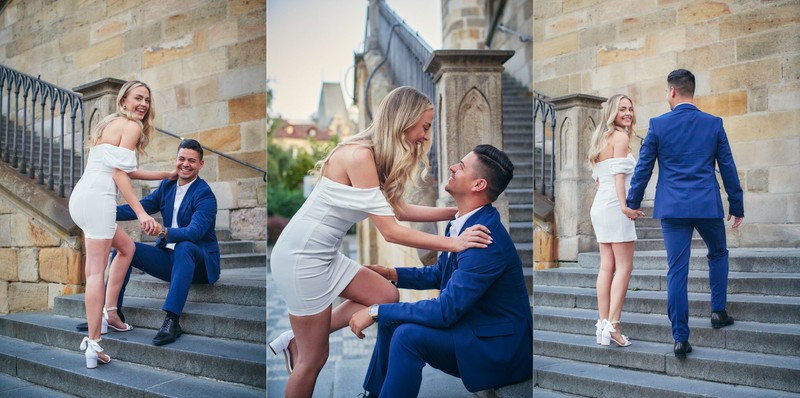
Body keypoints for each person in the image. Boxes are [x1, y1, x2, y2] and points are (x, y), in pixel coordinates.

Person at [268, 86, 492, 398]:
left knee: (385, 294)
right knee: (314, 358)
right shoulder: (360, 156)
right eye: (425, 127)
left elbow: (397, 209)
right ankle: (301, 343)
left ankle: (297, 336)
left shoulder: (372, 157)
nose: (426, 136)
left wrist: (457, 211)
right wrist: (454, 243)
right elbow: (390, 230)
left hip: (325, 255)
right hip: (302, 258)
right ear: (405, 120)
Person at [349, 145, 532, 397]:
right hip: (471, 329)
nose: (452, 167)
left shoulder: (484, 240)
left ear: (478, 185)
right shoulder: (463, 224)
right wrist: (390, 272)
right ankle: (373, 394)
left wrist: (375, 310)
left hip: (497, 348)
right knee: (392, 323)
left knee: (407, 336)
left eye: (461, 166)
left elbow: (445, 311)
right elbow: (439, 273)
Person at [625, 69, 744, 358]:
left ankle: (680, 338)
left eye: (667, 92)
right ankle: (718, 311)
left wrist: (632, 201)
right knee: (718, 253)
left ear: (673, 92)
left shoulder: (658, 125)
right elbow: (727, 166)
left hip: (673, 208)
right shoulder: (713, 124)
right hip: (706, 205)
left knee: (677, 270)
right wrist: (736, 205)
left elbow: (643, 168)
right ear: (691, 90)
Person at [68, 80, 175, 368]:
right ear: (123, 100)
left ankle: (110, 313)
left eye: (148, 100)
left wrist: (165, 173)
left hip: (81, 198)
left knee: (126, 248)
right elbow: (119, 175)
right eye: (138, 98)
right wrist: (142, 213)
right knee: (94, 274)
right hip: (99, 200)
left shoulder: (109, 124)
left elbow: (126, 169)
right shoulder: (132, 127)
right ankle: (94, 344)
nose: (144, 104)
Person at [113, 138, 220, 346]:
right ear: (176, 160)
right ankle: (112, 312)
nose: (185, 164)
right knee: (124, 248)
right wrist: (106, 211)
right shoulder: (167, 186)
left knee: (185, 245)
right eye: (181, 159)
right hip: (170, 259)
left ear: (201, 164)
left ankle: (172, 320)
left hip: (200, 264)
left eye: (191, 160)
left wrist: (163, 231)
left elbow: (194, 233)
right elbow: (139, 207)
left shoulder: (205, 195)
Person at [587, 94, 641, 347]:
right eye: (622, 109)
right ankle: (614, 326)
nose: (628, 113)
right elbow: (619, 178)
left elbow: (599, 180)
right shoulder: (620, 138)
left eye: (630, 108)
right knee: (624, 267)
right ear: (612, 113)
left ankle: (602, 326)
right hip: (614, 206)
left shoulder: (600, 140)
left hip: (600, 205)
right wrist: (625, 207)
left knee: (606, 266)